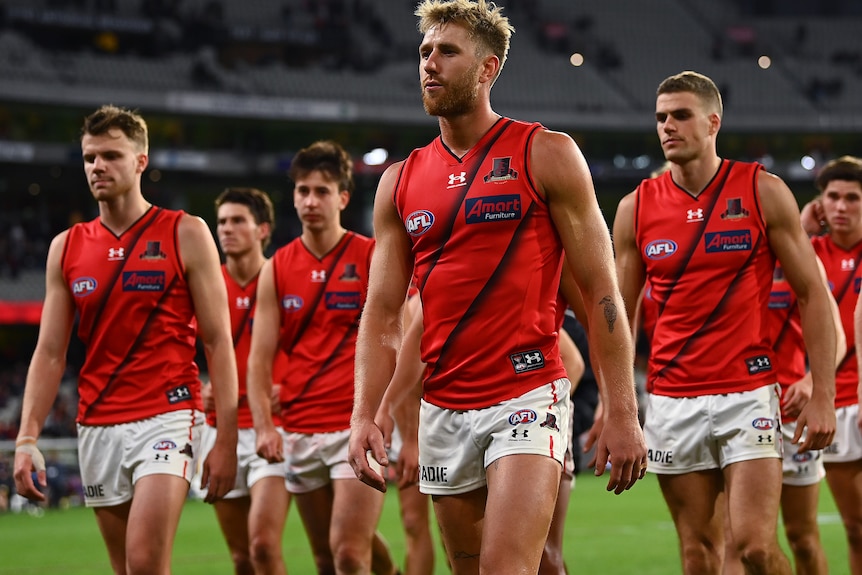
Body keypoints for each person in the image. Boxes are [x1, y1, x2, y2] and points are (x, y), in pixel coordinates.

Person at [348, 2, 647, 574]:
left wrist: (621, 407)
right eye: (424, 52)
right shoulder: (400, 181)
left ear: (489, 69)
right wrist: (365, 411)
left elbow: (601, 292)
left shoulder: (547, 153)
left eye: (447, 52)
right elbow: (384, 312)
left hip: (527, 394)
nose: (429, 65)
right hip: (443, 406)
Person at [612, 71, 837, 575]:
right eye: (661, 118)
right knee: (698, 556)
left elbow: (813, 295)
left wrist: (822, 390)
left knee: (756, 548)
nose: (667, 126)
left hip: (748, 393)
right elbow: (620, 317)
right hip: (671, 399)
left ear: (713, 122)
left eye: (681, 115)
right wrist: (619, 406)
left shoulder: (762, 190)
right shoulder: (635, 208)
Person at [12, 104, 239, 574]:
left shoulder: (187, 233)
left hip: (168, 414)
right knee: (125, 568)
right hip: (97, 423)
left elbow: (218, 342)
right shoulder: (66, 247)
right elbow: (51, 352)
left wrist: (227, 439)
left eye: (111, 156)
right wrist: (26, 437)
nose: (98, 166)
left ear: (140, 161)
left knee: (145, 562)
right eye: (90, 157)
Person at [247, 140, 396, 575]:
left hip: (356, 424)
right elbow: (259, 358)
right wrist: (263, 426)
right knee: (327, 558)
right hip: (298, 426)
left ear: (343, 198)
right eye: (303, 191)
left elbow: (397, 337)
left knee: (349, 552)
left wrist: (390, 412)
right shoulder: (277, 267)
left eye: (322, 191)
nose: (311, 201)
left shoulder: (370, 256)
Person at [199, 187, 290, 575]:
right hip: (221, 428)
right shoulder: (204, 283)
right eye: (222, 222)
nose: (226, 229)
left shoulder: (286, 277)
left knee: (264, 546)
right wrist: (198, 386)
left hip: (275, 425)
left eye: (238, 221)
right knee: (241, 558)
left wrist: (293, 387)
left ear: (262, 230)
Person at [803, 156, 862, 575]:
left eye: (853, 198)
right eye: (833, 197)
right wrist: (804, 230)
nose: (842, 206)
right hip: (832, 399)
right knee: (856, 526)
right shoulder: (806, 253)